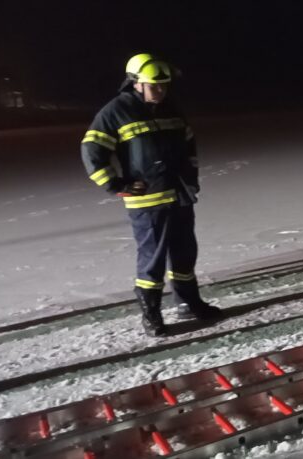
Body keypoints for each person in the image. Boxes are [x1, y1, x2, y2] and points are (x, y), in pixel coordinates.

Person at [80, 54, 221, 336]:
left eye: (164, 85)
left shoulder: (171, 108)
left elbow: (189, 145)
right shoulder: (116, 111)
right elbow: (91, 150)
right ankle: (152, 314)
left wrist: (191, 179)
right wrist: (115, 184)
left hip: (179, 196)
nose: (160, 90)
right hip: (147, 202)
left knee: (184, 253)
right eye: (154, 85)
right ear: (136, 83)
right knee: (152, 260)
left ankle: (188, 302)